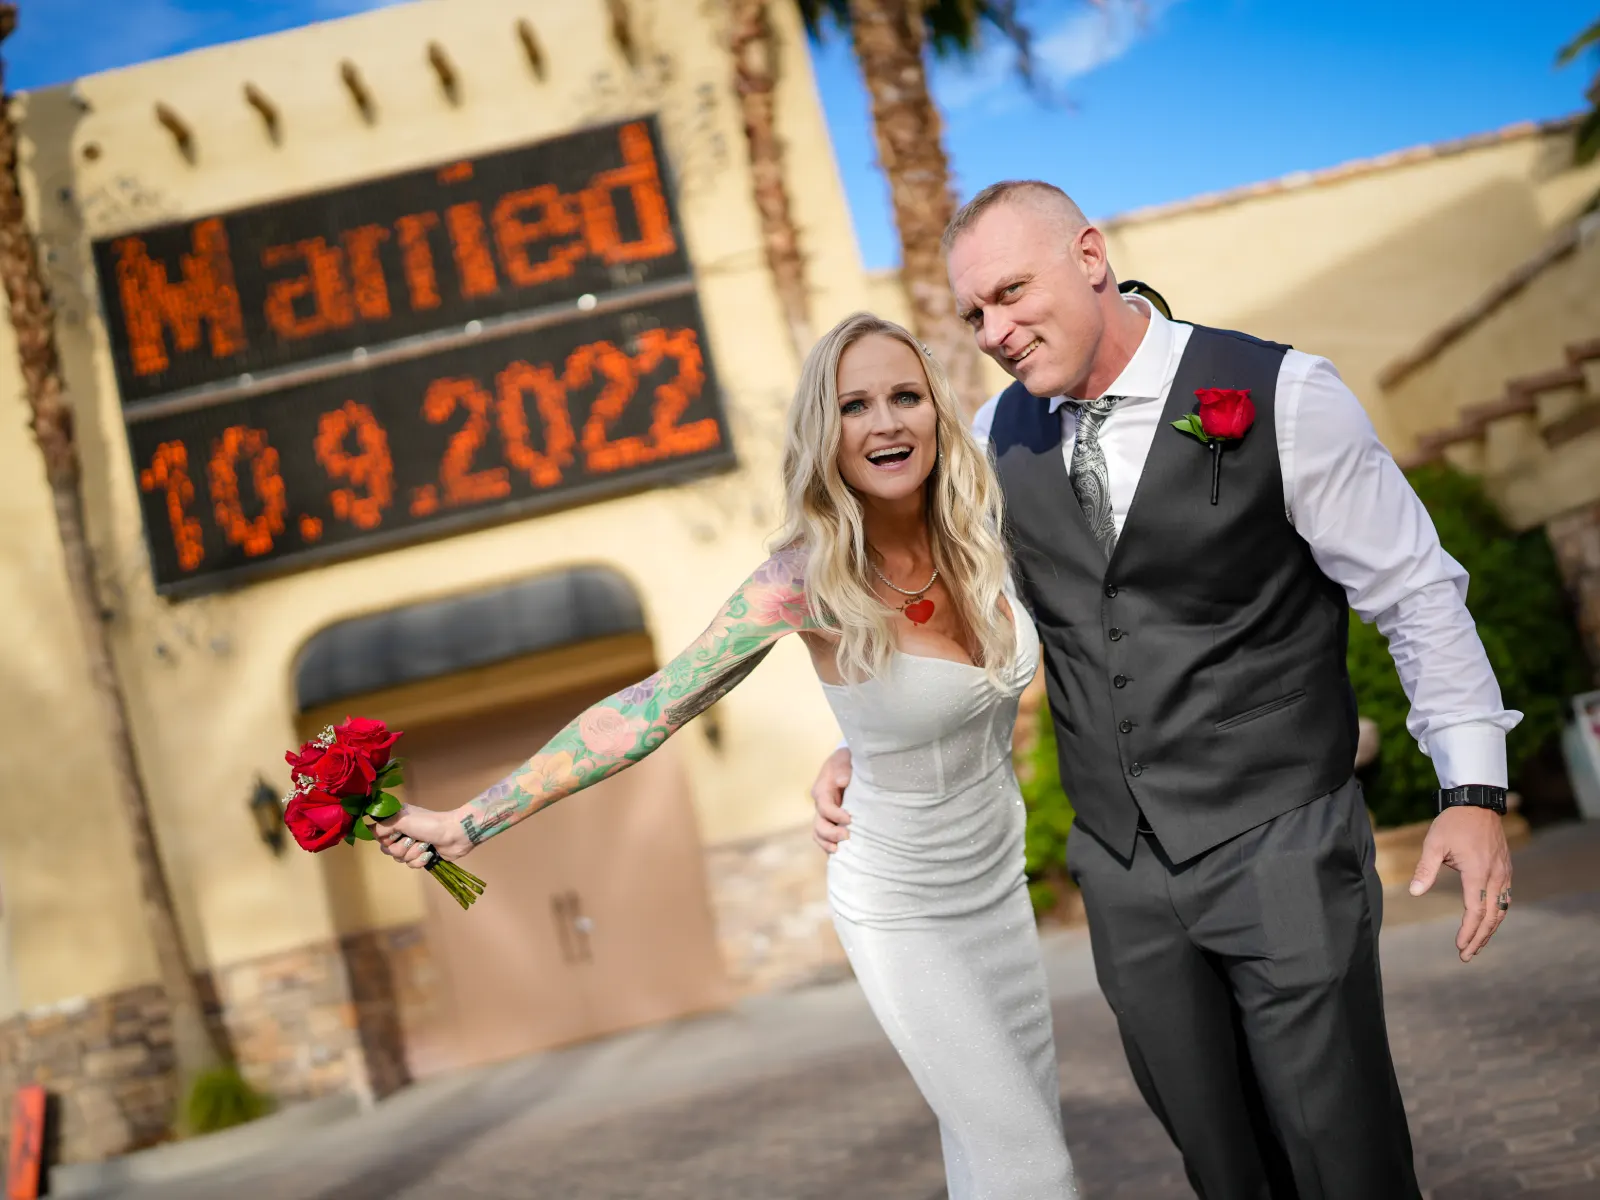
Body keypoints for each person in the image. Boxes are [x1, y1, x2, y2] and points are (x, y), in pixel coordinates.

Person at [808, 180, 1521, 1200]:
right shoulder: (984, 443)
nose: (996, 332)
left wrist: (1471, 790)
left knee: (1337, 1145)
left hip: (1282, 831)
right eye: (974, 315)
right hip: (1124, 869)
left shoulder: (1282, 393)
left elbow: (1414, 592)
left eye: (1012, 294)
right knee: (1217, 1161)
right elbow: (960, 621)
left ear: (1090, 256)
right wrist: (868, 736)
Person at [373, 312, 1080, 1199]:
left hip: (998, 884)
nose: (886, 422)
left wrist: (852, 743)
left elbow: (946, 703)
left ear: (939, 412)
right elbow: (649, 707)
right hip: (905, 908)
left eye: (906, 396)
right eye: (855, 405)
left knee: (1000, 1147)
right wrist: (469, 820)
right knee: (1031, 1160)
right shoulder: (802, 581)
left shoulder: (985, 535)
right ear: (826, 436)